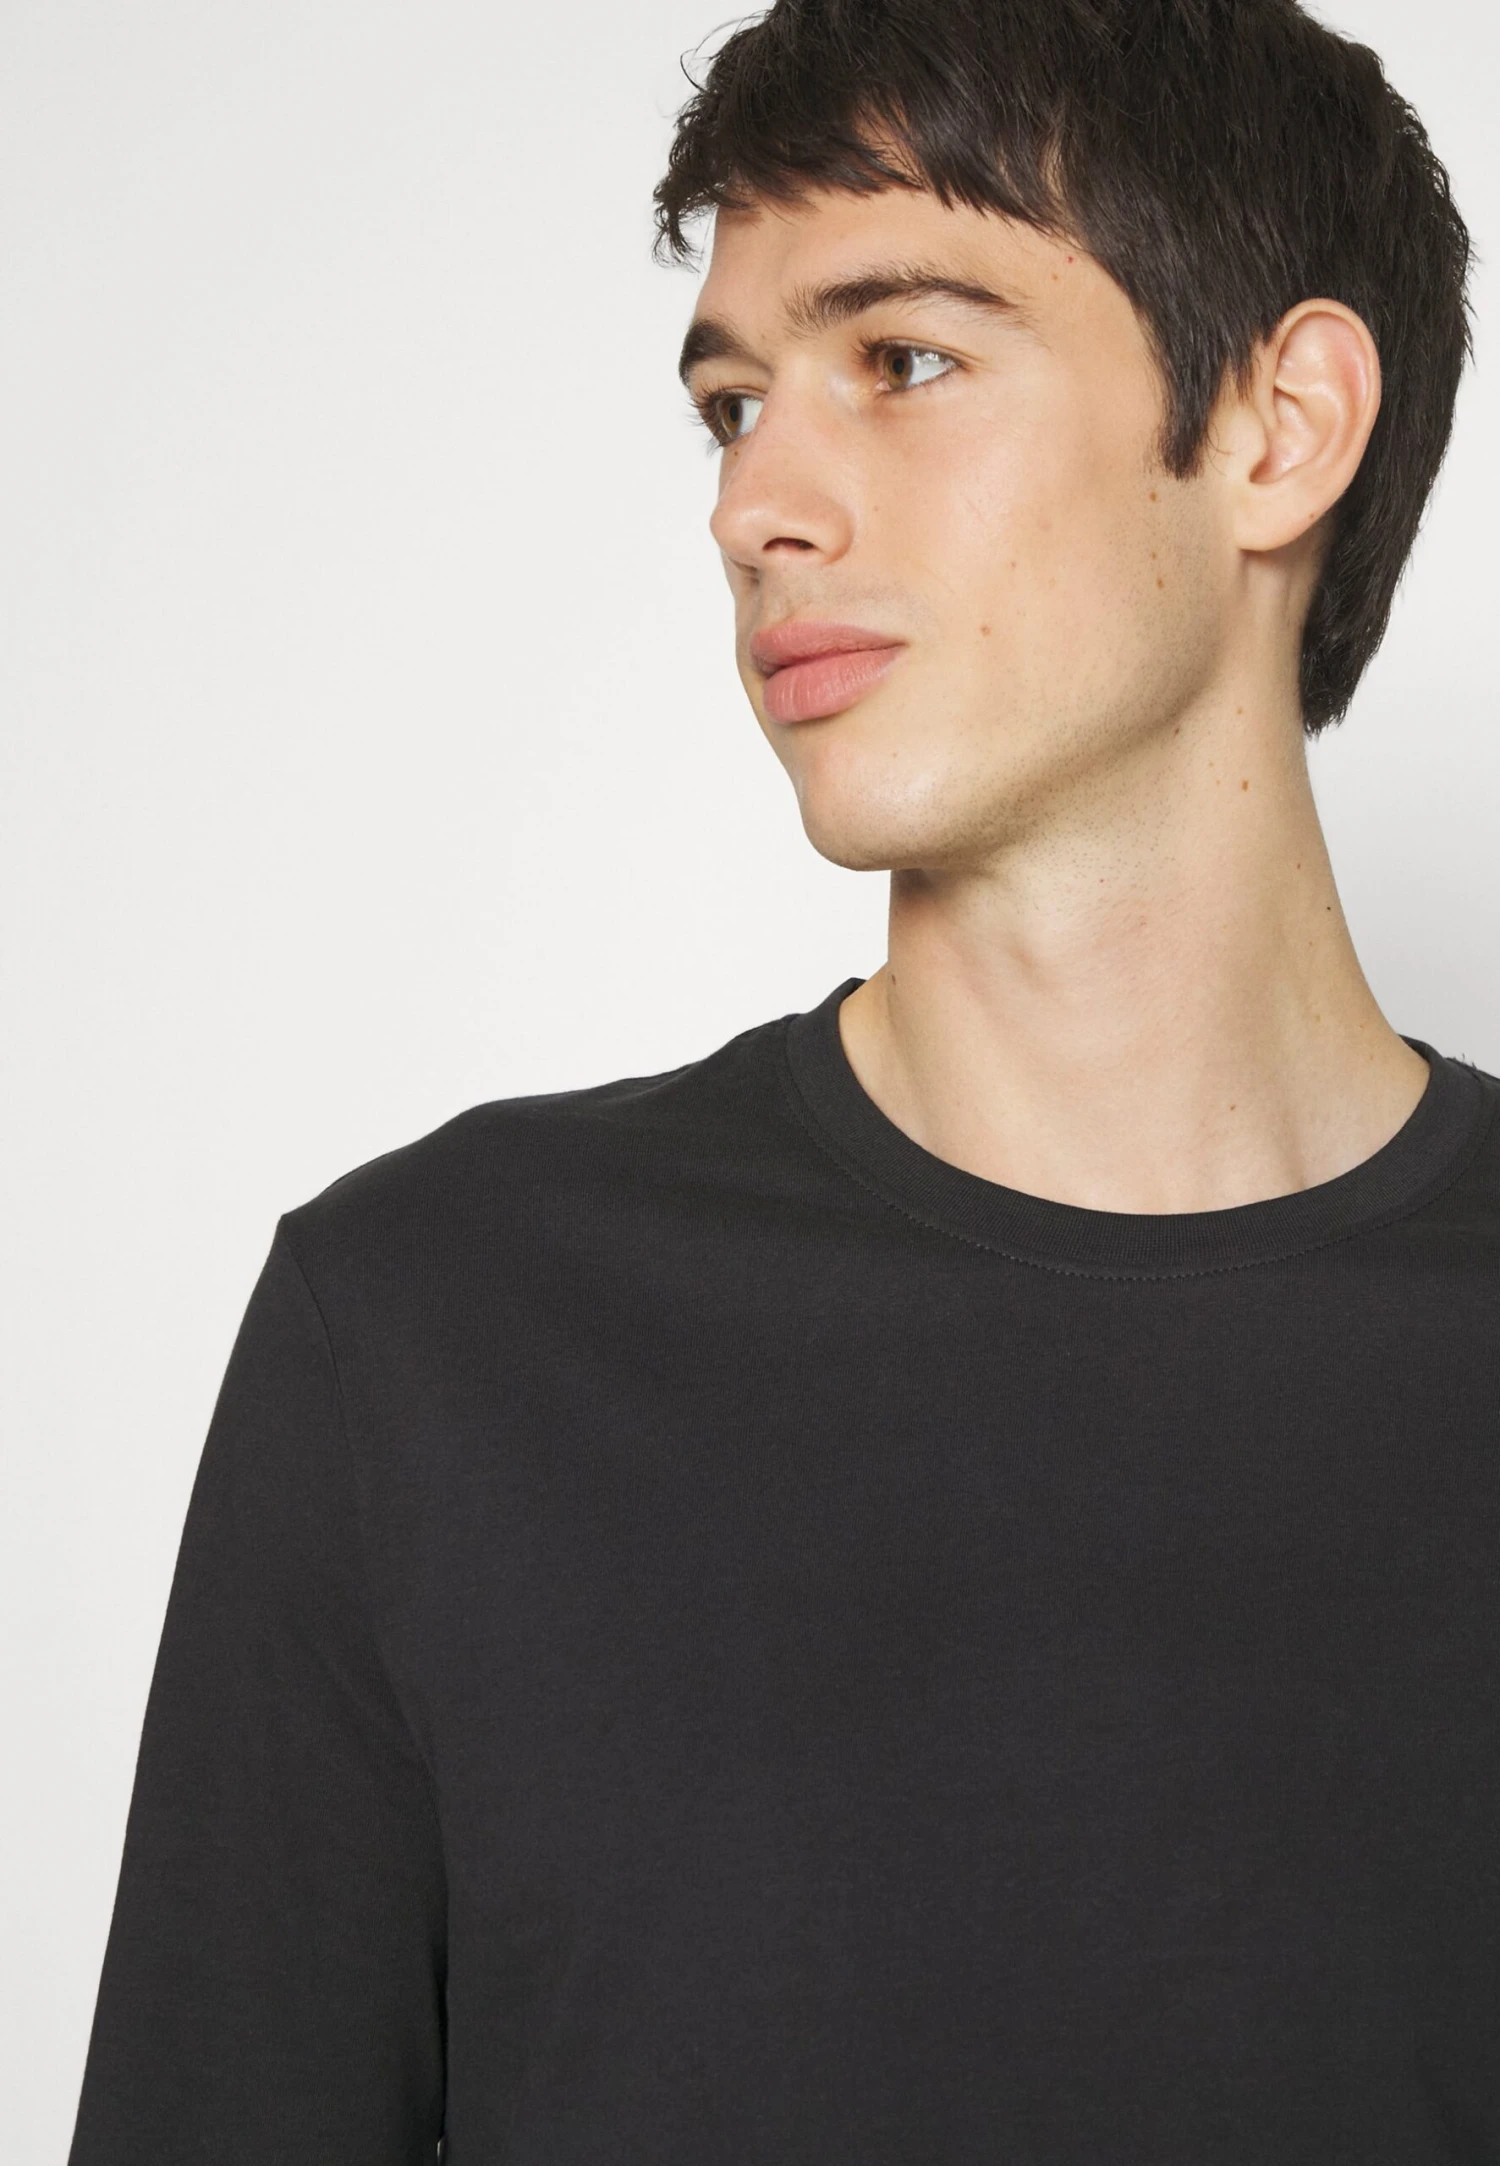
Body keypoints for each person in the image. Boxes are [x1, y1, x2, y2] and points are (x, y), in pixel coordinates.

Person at [67, 0, 1499, 2159]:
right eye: (733, 404)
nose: (755, 503)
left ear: (1279, 428)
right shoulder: (438, 1335)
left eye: (901, 361)